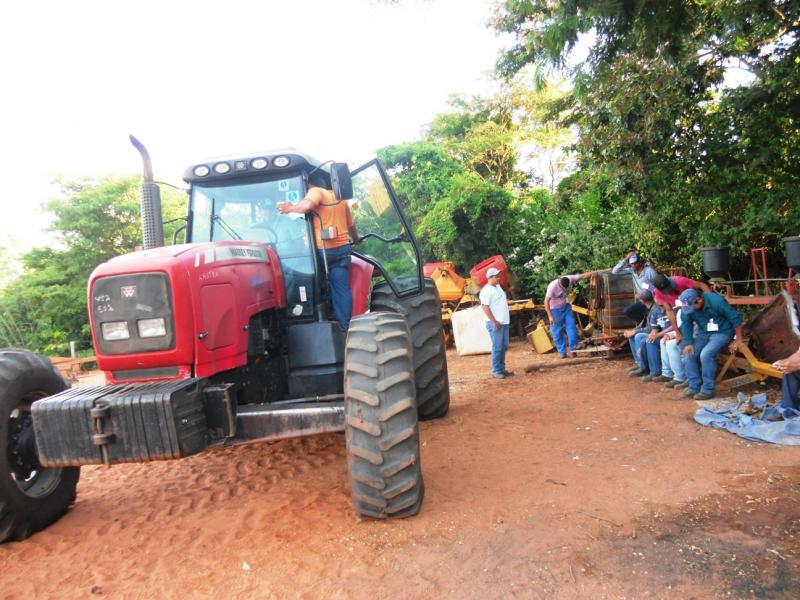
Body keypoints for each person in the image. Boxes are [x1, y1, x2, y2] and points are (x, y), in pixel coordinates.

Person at [277, 172, 360, 331]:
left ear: (310, 186)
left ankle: (310, 319)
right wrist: (356, 239)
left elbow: (307, 206)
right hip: (342, 250)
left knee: (299, 278)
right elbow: (352, 227)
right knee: (341, 289)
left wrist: (289, 208)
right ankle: (344, 327)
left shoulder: (316, 192)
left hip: (322, 252)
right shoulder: (340, 199)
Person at [678, 288, 743, 400]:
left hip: (723, 331)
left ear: (699, 300)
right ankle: (694, 386)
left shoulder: (716, 301)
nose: (691, 310)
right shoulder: (688, 306)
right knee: (689, 353)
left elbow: (735, 318)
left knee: (706, 354)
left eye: (693, 306)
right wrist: (688, 342)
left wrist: (738, 339)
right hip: (704, 332)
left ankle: (708, 389)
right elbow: (686, 324)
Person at [544, 270, 595, 358]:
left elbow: (583, 276)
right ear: (559, 284)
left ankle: (573, 347)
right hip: (554, 310)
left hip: (566, 307)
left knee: (571, 326)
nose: (565, 291)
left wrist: (595, 273)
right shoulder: (552, 287)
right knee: (557, 332)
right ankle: (562, 352)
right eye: (563, 289)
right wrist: (550, 316)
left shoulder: (570, 278)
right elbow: (545, 302)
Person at [652, 272, 711, 343]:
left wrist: (711, 302)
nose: (669, 291)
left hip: (697, 308)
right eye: (665, 290)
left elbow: (702, 285)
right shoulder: (658, 293)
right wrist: (677, 333)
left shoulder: (680, 281)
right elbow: (669, 311)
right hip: (682, 313)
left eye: (668, 288)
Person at [623, 289, 666, 380]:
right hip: (655, 332)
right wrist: (633, 330)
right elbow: (643, 323)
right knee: (633, 336)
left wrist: (634, 332)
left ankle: (646, 368)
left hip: (659, 333)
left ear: (642, 301)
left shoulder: (654, 309)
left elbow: (650, 328)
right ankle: (640, 364)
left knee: (639, 336)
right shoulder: (649, 308)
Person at [480, 267, 513, 379]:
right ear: (490, 277)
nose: (498, 278)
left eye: (498, 276)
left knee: (504, 346)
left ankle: (501, 369)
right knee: (497, 347)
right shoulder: (486, 291)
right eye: (496, 276)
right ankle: (496, 370)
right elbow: (485, 307)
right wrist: (494, 322)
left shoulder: (498, 287)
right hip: (495, 323)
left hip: (503, 322)